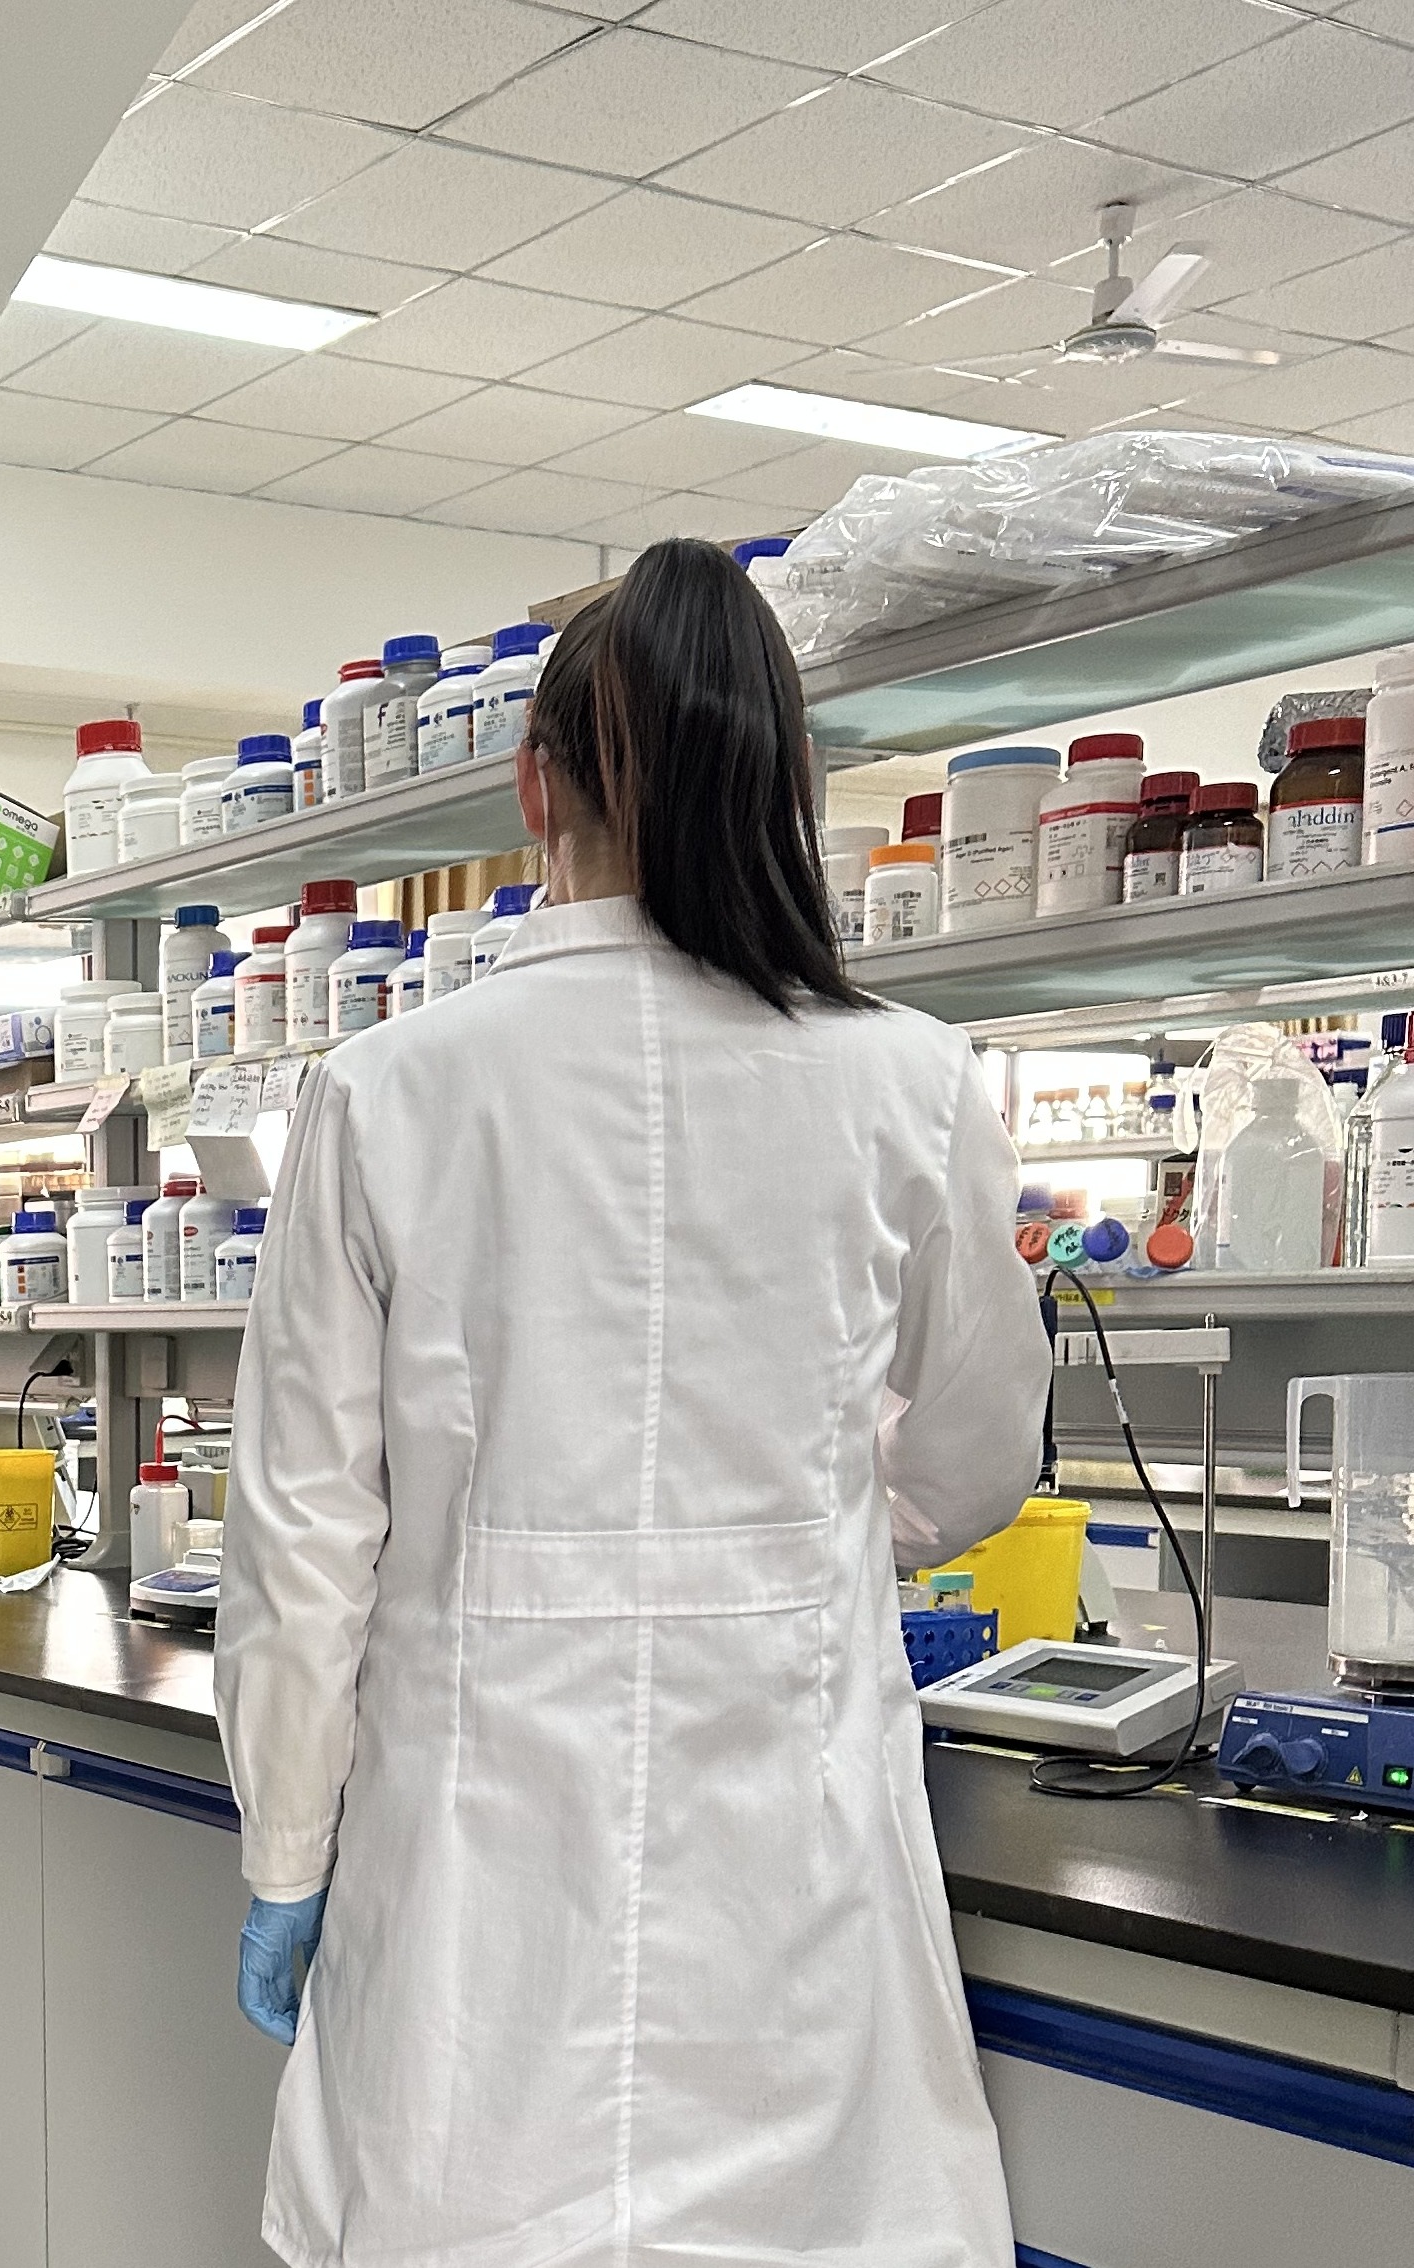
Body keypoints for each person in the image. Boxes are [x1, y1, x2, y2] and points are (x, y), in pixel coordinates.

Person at [214, 540, 1051, 2268]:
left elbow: (304, 1539)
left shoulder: (386, 1091)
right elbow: (979, 1454)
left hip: (476, 1897)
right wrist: (828, 1523)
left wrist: (288, 1852)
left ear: (536, 787)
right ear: (785, 784)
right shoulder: (910, 1082)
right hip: (793, 1886)